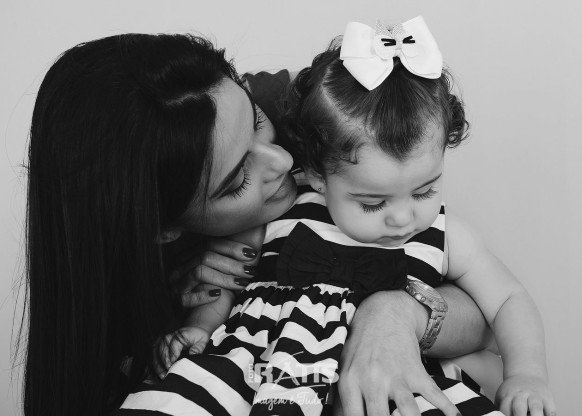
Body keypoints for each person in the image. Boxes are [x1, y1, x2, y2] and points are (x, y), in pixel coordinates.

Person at [23, 32, 495, 416]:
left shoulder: (315, 115)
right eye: (236, 181)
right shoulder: (137, 306)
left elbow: (485, 319)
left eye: (257, 120)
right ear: (163, 230)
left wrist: (394, 313)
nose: (283, 160)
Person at [142, 18, 555, 416]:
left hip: (390, 379)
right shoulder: (283, 215)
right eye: (373, 203)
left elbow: (507, 299)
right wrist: (200, 328)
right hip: (257, 373)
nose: (403, 218)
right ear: (318, 176)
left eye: (425, 191)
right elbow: (224, 285)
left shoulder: (447, 235)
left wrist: (526, 374)